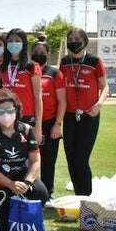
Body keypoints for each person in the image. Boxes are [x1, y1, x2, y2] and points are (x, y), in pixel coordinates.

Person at [0, 89, 47, 231]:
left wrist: (27, 183)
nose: (6, 115)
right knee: (4, 228)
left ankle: (25, 212)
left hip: (22, 178)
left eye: (10, 110)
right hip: (0, 182)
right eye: (1, 111)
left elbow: (35, 160)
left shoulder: (27, 130)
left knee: (41, 193)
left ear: (17, 111)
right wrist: (10, 184)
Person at [59, 28, 110, 196]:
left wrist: (99, 104)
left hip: (89, 115)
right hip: (69, 116)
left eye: (77, 39)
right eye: (70, 39)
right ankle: (78, 197)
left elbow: (105, 86)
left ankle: (87, 197)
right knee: (71, 159)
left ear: (84, 41)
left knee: (81, 159)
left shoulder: (94, 61)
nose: (73, 42)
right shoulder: (64, 62)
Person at [31, 41, 66, 197]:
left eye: (42, 53)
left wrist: (57, 124)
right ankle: (29, 192)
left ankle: (47, 194)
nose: (38, 55)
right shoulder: (28, 71)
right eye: (35, 52)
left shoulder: (54, 73)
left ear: (48, 55)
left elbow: (62, 101)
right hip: (30, 123)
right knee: (28, 160)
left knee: (48, 161)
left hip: (49, 123)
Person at [0, 28, 43, 144]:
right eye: (10, 41)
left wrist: (38, 125)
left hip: (27, 118)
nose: (14, 43)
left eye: (17, 40)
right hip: (6, 116)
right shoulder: (2, 66)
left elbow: (38, 97)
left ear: (24, 43)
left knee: (28, 153)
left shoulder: (32, 66)